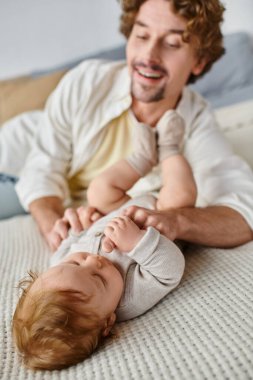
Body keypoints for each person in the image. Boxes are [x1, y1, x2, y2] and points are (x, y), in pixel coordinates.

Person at [1, 0, 253, 248]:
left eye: (172, 43)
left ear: (198, 61)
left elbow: (244, 214)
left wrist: (175, 221)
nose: (149, 56)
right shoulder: (87, 81)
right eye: (142, 35)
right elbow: (41, 167)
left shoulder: (196, 121)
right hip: (14, 163)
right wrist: (57, 225)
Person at [12, 195, 185, 370]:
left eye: (75, 263)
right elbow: (170, 270)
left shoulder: (58, 267)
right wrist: (136, 243)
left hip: (118, 207)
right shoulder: (130, 297)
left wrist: (81, 225)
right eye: (98, 278)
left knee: (100, 190)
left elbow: (68, 244)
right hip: (160, 211)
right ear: (107, 322)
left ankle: (145, 165)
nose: (94, 261)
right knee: (179, 194)